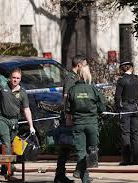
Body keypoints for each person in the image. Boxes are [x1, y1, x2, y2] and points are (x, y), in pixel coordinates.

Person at [0, 68, 36, 178]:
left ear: (20, 79)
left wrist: (31, 126)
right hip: (1, 118)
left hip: (14, 121)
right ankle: (9, 169)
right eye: (13, 77)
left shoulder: (22, 93)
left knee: (12, 145)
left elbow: (26, 109)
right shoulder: (2, 86)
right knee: (6, 143)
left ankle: (4, 167)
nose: (15, 80)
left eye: (18, 78)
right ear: (10, 77)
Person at [66, 66, 106, 183]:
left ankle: (84, 176)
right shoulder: (93, 89)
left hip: (78, 124)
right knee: (92, 149)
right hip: (91, 123)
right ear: (87, 75)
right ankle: (84, 176)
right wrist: (97, 112)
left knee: (80, 152)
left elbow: (68, 109)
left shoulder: (72, 90)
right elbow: (102, 105)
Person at [54, 55, 87, 183]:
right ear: (79, 65)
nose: (85, 68)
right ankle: (61, 175)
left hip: (75, 115)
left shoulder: (77, 77)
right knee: (66, 146)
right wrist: (68, 115)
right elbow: (66, 97)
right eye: (84, 65)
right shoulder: (70, 78)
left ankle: (65, 174)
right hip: (70, 116)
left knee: (70, 146)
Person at [114, 61, 138, 166]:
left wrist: (118, 108)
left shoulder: (121, 80)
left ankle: (127, 159)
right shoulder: (136, 79)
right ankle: (137, 159)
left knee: (125, 133)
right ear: (131, 68)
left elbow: (117, 97)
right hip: (135, 107)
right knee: (136, 133)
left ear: (123, 69)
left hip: (125, 107)